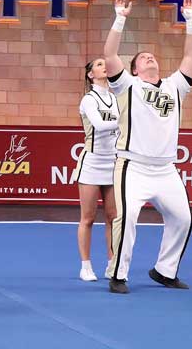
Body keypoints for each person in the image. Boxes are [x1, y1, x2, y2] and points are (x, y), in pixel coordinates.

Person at [103, 0, 192, 294]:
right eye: (143, 57)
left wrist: (191, 22)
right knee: (127, 216)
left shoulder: (174, 86)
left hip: (166, 169)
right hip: (134, 165)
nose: (150, 58)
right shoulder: (128, 85)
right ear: (133, 70)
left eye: (152, 56)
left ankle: (164, 271)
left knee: (183, 218)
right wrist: (120, 17)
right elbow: (109, 55)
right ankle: (118, 275)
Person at [75, 58, 118, 282]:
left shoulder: (115, 98)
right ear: (91, 75)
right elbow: (100, 125)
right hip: (92, 162)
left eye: (105, 64)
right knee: (88, 218)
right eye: (99, 64)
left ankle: (112, 263)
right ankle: (86, 265)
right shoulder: (88, 100)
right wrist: (124, 121)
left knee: (113, 217)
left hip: (113, 162)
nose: (105, 66)